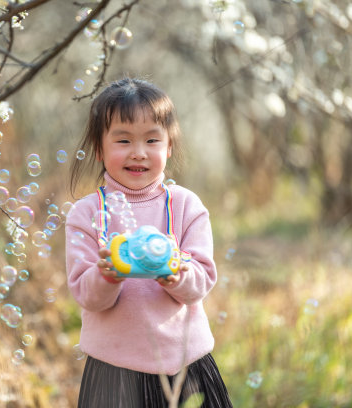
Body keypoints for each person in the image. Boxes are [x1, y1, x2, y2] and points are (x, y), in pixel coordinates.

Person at [65, 77, 232, 408]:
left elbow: (200, 282)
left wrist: (175, 273)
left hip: (187, 366)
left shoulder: (187, 207)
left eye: (152, 140)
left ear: (169, 147)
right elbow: (87, 295)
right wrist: (108, 275)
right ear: (99, 148)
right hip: (114, 375)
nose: (138, 153)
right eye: (123, 140)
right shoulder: (86, 214)